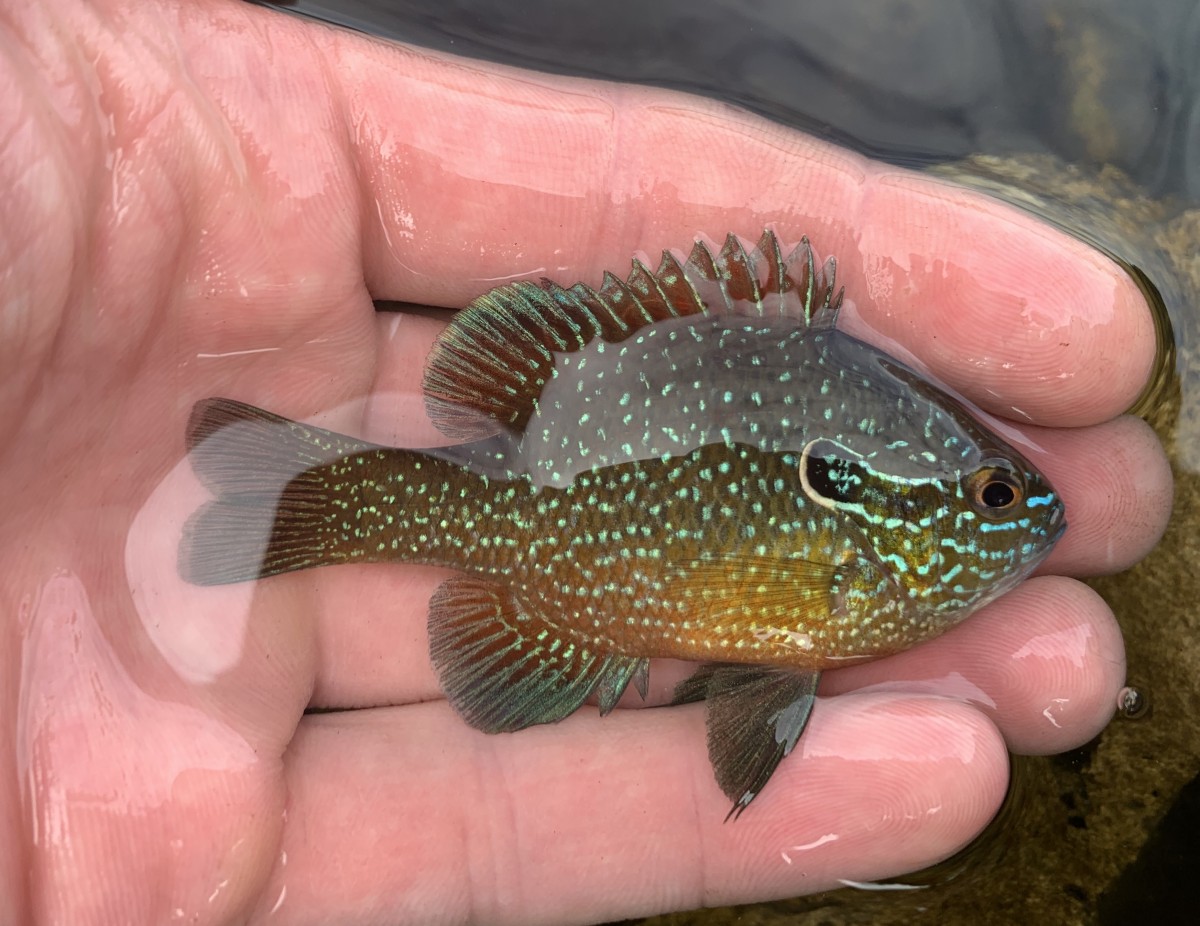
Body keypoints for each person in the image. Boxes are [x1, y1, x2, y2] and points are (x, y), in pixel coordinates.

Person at [0, 1, 1172, 923]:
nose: (1028, 514)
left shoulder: (866, 551)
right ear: (901, 502)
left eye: (1002, 491)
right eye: (993, 492)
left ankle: (288, 499)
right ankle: (301, 496)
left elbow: (772, 668)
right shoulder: (858, 574)